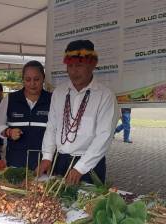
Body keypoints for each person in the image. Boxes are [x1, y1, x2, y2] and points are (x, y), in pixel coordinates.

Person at [37, 40, 119, 185]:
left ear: (92, 64)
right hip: (59, 161)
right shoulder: (59, 93)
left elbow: (104, 137)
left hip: (89, 165)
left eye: (79, 66)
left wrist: (80, 168)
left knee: (85, 205)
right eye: (70, 66)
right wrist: (47, 156)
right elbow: (52, 127)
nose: (74, 71)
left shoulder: (105, 96)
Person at [0, 61, 52, 170]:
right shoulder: (10, 99)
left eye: (36, 79)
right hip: (15, 162)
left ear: (43, 78)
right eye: (28, 79)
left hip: (42, 164)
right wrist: (8, 132)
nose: (32, 84)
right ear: (23, 79)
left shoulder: (53, 100)